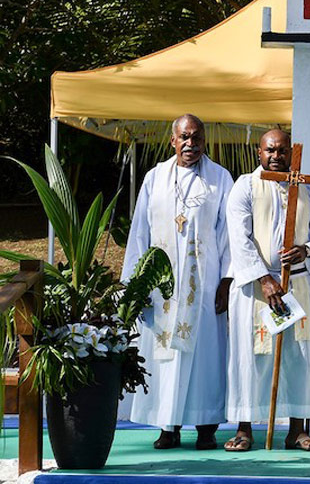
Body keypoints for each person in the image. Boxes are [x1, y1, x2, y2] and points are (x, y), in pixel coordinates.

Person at [224, 129, 310, 452]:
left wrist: (308, 250)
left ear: (292, 152)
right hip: (256, 288)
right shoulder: (244, 186)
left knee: (299, 357)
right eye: (270, 150)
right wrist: (264, 278)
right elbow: (239, 237)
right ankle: (245, 428)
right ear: (259, 153)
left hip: (298, 282)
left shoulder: (307, 188)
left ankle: (297, 430)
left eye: (282, 150)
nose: (276, 156)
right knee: (252, 357)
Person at [122, 114, 233, 450]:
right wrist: (136, 286)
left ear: (204, 141)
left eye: (196, 138)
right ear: (173, 140)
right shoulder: (155, 178)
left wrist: (227, 281)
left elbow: (229, 235)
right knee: (166, 354)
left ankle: (206, 426)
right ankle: (168, 426)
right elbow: (140, 232)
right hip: (162, 288)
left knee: (204, 356)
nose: (190, 144)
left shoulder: (220, 178)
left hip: (204, 284)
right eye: (184, 137)